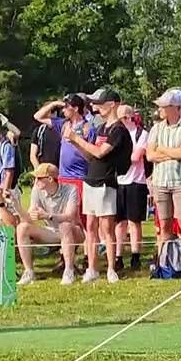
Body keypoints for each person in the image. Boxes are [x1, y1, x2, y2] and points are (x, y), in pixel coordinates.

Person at [64, 88, 129, 283]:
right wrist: (75, 143)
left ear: (112, 105)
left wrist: (77, 138)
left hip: (106, 182)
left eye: (99, 103)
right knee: (90, 226)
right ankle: (91, 268)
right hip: (90, 180)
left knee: (106, 228)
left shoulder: (118, 130)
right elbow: (91, 155)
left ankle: (111, 269)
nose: (95, 106)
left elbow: (101, 152)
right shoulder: (101, 128)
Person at [147, 88, 181, 271]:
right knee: (164, 225)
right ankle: (164, 265)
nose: (160, 109)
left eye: (164, 106)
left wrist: (162, 149)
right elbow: (150, 155)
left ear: (176, 108)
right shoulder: (156, 128)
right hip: (160, 183)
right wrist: (174, 153)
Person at [16, 163, 84, 285]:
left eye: (38, 178)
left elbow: (70, 216)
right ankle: (29, 272)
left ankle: (69, 271)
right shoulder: (36, 191)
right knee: (22, 228)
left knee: (64, 226)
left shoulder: (71, 189)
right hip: (52, 231)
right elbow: (29, 218)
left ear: (50, 179)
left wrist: (47, 216)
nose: (35, 181)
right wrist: (15, 205)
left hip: (74, 231)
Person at [34, 95, 94, 206]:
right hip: (63, 177)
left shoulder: (87, 128)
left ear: (75, 108)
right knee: (63, 212)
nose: (63, 110)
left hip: (79, 178)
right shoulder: (63, 124)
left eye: (66, 107)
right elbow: (38, 116)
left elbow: (90, 157)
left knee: (77, 214)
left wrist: (75, 141)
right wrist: (54, 104)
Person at [115, 105, 149, 270]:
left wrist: (119, 156)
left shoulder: (142, 134)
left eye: (122, 118)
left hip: (136, 182)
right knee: (119, 222)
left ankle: (136, 256)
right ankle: (118, 256)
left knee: (134, 221)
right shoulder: (116, 133)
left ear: (129, 117)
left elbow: (136, 157)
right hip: (119, 181)